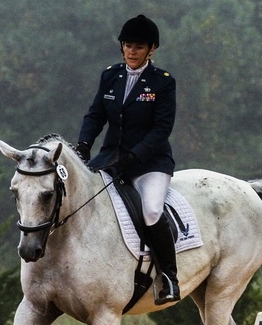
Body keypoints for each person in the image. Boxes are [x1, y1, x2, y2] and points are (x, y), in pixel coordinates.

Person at [76, 14, 180, 305]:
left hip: (151, 163)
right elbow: (96, 114)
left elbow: (162, 129)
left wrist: (135, 156)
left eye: (138, 47)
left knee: (150, 212)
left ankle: (169, 276)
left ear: (151, 49)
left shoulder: (162, 83)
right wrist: (84, 145)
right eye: (127, 46)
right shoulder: (110, 75)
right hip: (110, 157)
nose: (131, 52)